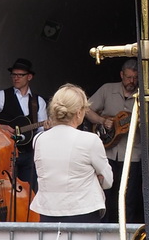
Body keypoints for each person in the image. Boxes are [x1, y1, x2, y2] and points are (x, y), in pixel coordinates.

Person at [32, 85, 112, 223]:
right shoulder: (90, 140)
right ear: (79, 113)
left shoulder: (38, 139)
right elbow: (108, 180)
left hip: (48, 211)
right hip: (83, 210)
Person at [85, 56, 140, 222]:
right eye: (129, 77)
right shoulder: (107, 89)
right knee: (105, 195)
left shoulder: (142, 95)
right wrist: (102, 121)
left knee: (128, 198)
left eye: (135, 78)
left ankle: (126, 235)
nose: (132, 81)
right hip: (107, 153)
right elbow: (86, 109)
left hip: (132, 155)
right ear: (121, 75)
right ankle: (104, 231)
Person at [0, 59, 47, 189]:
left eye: (20, 75)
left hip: (29, 154)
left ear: (29, 77)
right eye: (13, 75)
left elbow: (41, 129)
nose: (16, 78)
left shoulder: (38, 101)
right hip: (7, 151)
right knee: (7, 189)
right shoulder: (2, 95)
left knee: (29, 189)